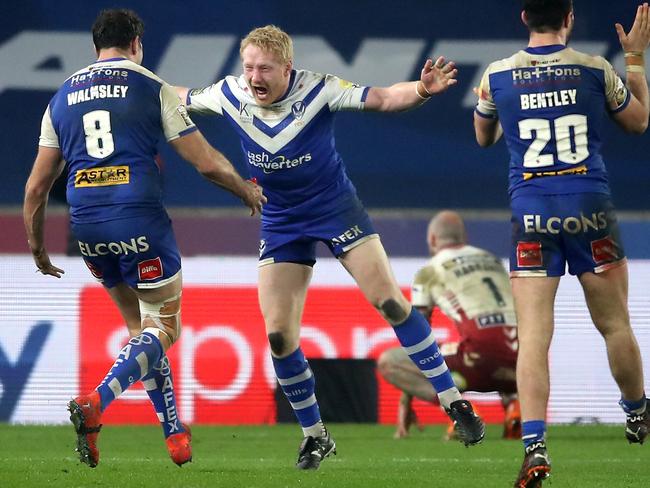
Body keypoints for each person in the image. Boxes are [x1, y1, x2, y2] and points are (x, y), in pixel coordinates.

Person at [175, 25, 484, 469]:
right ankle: (315, 435)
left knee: (392, 304)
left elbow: (382, 98)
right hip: (281, 220)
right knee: (279, 336)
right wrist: (134, 82)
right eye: (248, 67)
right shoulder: (229, 93)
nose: (254, 76)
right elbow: (177, 96)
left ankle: (455, 403)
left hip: (335, 208)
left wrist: (421, 89)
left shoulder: (319, 88)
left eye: (264, 68)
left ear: (287, 68)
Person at [23, 9, 265, 469]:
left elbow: (36, 188)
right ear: (135, 42)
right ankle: (97, 402)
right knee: (163, 328)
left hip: (87, 228)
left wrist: (38, 247)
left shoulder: (60, 98)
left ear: (95, 46)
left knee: (142, 332)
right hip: (139, 220)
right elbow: (207, 162)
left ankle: (174, 434)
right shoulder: (151, 85)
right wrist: (245, 190)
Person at [473, 1, 650, 486]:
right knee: (615, 325)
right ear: (569, 18)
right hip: (590, 207)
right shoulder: (595, 69)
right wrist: (635, 59)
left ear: (524, 17)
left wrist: (493, 108)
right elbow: (637, 122)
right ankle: (636, 414)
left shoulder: (497, 76)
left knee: (533, 337)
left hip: (531, 213)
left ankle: (534, 447)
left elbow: (483, 137)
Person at [377, 211, 520, 440]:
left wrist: (406, 401)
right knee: (505, 343)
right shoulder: (493, 261)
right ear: (463, 237)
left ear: (433, 239)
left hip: (477, 361)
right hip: (522, 364)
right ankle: (516, 407)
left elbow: (418, 339)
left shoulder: (429, 271)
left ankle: (462, 412)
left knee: (389, 362)